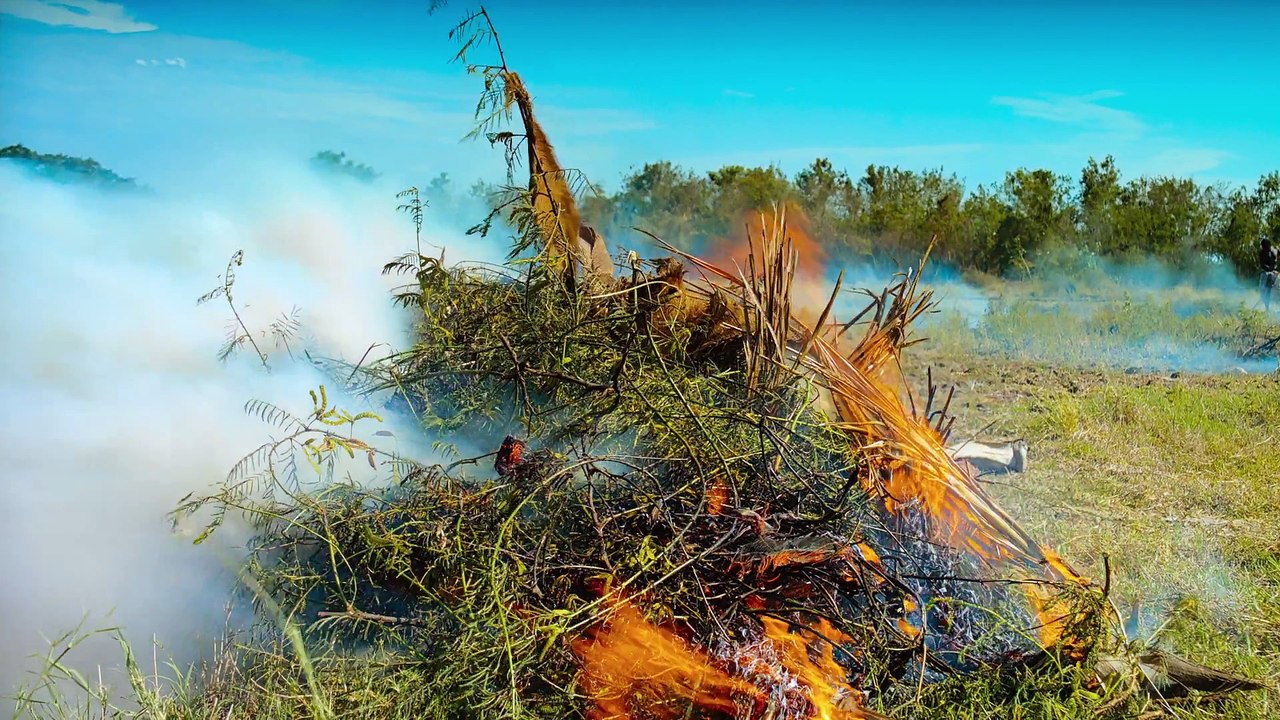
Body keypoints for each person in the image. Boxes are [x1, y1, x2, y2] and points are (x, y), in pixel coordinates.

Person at [1261, 237, 1278, 311]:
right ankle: (1266, 307)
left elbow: (1275, 261)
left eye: (1267, 245)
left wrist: (1273, 269)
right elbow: (1262, 265)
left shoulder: (1274, 251)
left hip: (1275, 271)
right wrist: (1269, 270)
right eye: (1265, 246)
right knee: (1264, 289)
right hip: (1266, 272)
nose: (1266, 247)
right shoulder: (1262, 253)